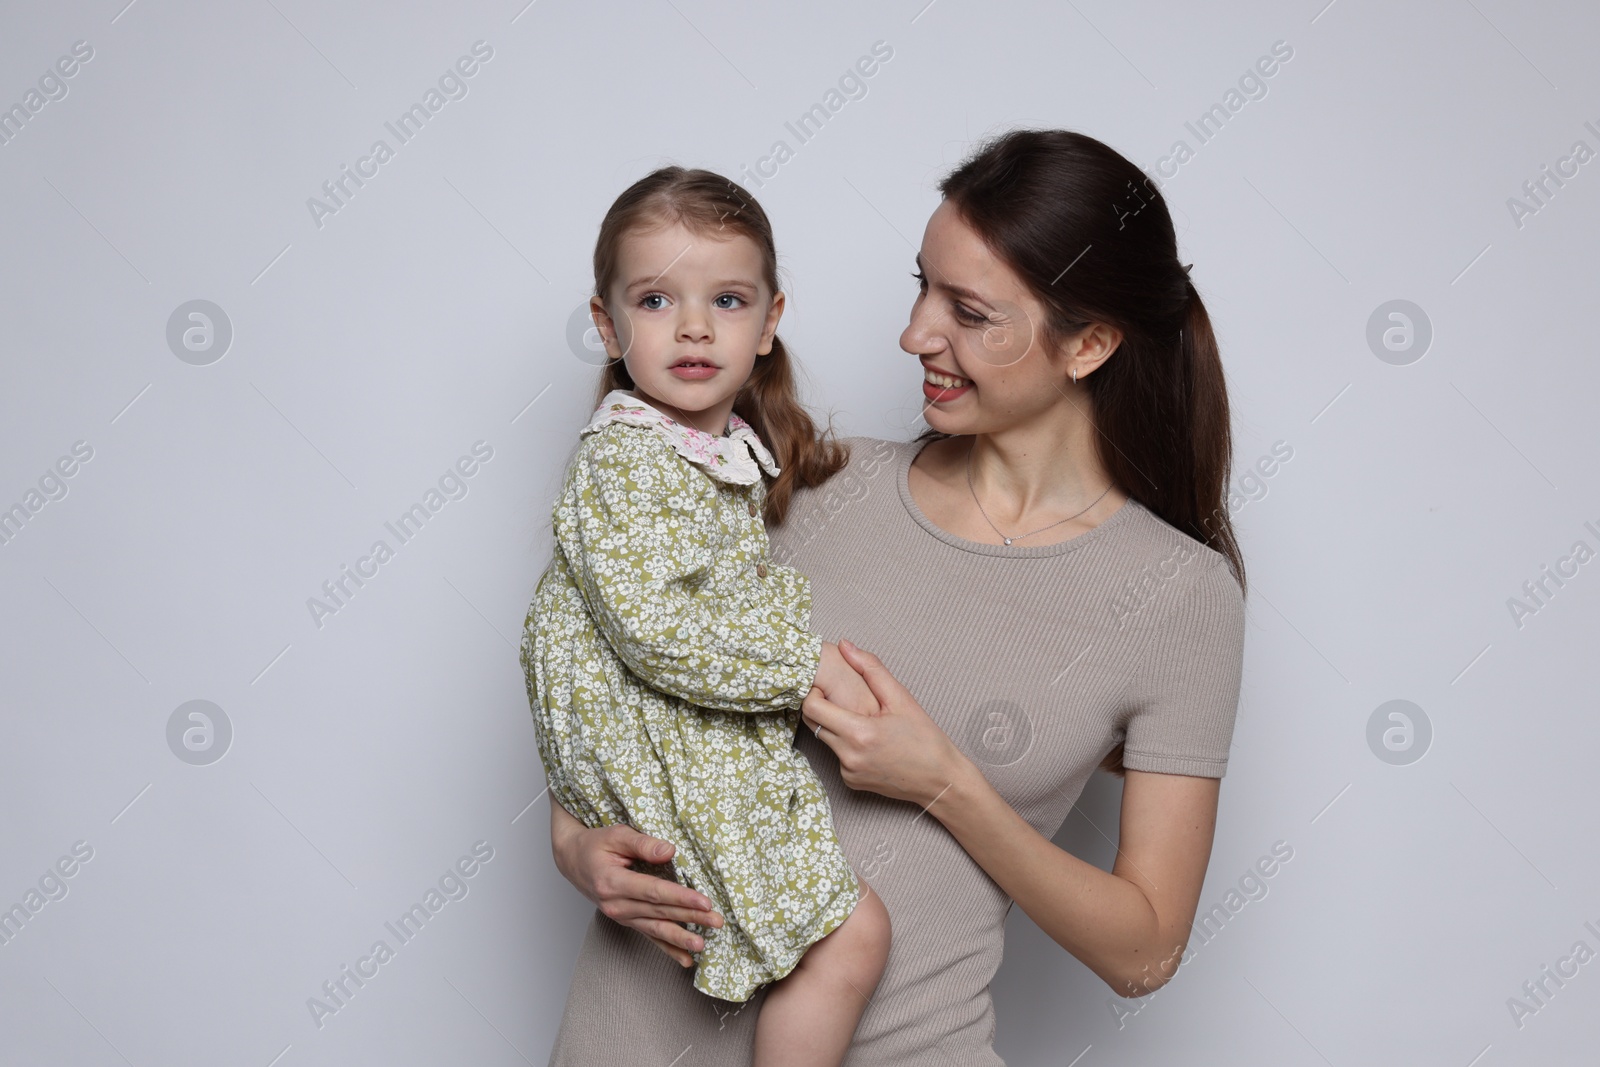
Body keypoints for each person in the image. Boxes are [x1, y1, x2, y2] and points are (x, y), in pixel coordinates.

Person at [542, 128, 1248, 1066]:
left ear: (1090, 344)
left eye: (970, 311)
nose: (916, 333)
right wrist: (574, 843)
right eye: (923, 285)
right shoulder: (798, 483)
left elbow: (1147, 949)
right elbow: (611, 655)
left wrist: (947, 782)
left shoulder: (1179, 597)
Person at [520, 166, 892, 1067]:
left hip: (673, 733)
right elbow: (656, 631)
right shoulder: (626, 460)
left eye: (726, 300)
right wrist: (803, 671)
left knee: (831, 933)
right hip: (654, 740)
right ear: (607, 325)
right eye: (656, 299)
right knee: (853, 934)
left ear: (769, 324)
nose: (693, 327)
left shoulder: (716, 453)